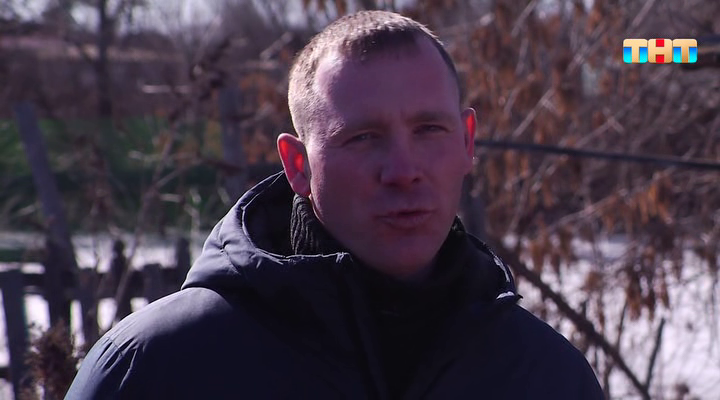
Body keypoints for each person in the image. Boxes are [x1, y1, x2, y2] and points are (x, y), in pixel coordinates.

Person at [66, 10, 604, 400]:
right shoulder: (156, 369)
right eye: (363, 138)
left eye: (429, 130)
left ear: (467, 142)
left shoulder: (548, 377)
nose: (403, 171)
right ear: (298, 165)